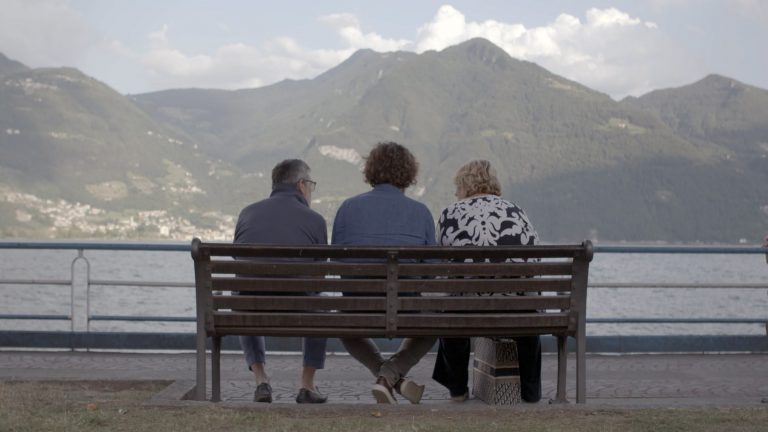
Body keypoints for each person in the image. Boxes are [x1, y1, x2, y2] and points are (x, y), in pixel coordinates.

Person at [332, 142, 437, 404]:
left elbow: (338, 261)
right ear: (408, 172)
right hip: (406, 307)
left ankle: (386, 376)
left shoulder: (347, 208)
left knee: (345, 327)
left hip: (359, 306)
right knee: (432, 326)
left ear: (371, 170)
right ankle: (391, 376)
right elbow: (429, 271)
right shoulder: (421, 212)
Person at [431, 159, 542, 403]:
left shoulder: (450, 213)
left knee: (451, 308)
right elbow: (533, 262)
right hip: (518, 309)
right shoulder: (516, 211)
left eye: (456, 186)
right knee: (529, 308)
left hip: (468, 309)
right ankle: (531, 393)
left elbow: (443, 268)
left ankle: (458, 390)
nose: (455, 192)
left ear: (464, 185)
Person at [233, 159, 328, 404]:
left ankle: (261, 380)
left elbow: (238, 262)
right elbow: (320, 276)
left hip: (252, 309)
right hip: (301, 309)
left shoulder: (247, 213)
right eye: (311, 186)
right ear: (301, 185)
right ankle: (307, 385)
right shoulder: (315, 220)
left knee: (243, 296)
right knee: (321, 304)